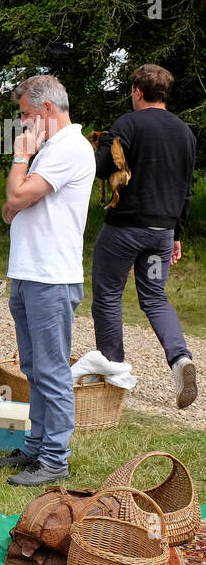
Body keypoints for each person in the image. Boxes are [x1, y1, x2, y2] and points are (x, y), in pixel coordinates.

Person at [0, 75, 95, 486]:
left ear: (47, 110)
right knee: (34, 366)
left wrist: (20, 158)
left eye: (25, 116)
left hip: (51, 276)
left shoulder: (69, 147)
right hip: (30, 271)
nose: (23, 126)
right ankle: (37, 446)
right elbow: (11, 208)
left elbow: (16, 199)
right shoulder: (52, 148)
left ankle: (55, 457)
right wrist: (18, 198)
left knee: (51, 369)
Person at [92, 64, 198, 408]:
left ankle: (114, 373)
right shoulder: (185, 133)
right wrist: (176, 234)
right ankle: (180, 359)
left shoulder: (128, 123)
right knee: (154, 297)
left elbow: (103, 166)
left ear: (138, 91)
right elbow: (186, 190)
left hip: (124, 231)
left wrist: (100, 145)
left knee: (108, 295)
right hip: (160, 234)